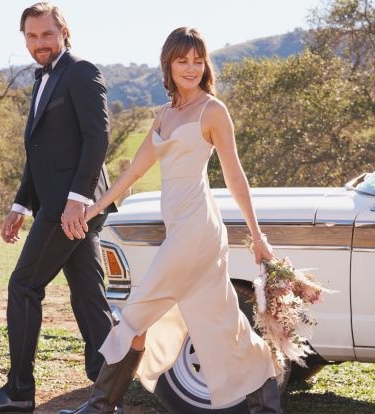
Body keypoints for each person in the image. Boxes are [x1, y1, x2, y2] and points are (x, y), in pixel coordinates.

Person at [59, 27, 281, 414]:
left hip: (197, 229)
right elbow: (131, 174)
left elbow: (234, 175)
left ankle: (99, 406)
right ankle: (267, 404)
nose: (191, 68)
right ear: (169, 64)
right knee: (223, 321)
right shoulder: (164, 114)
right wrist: (92, 208)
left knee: (137, 310)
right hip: (181, 228)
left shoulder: (213, 110)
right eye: (183, 60)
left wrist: (257, 236)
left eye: (198, 60)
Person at [0, 2, 116, 413]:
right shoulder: (42, 81)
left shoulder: (81, 71)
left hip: (72, 205)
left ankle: (19, 392)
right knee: (88, 297)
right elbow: (39, 154)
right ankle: (108, 396)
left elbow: (97, 138)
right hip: (57, 203)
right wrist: (20, 205)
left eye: (46, 34)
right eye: (31, 36)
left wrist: (75, 202)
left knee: (24, 285)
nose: (39, 43)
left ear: (63, 32)